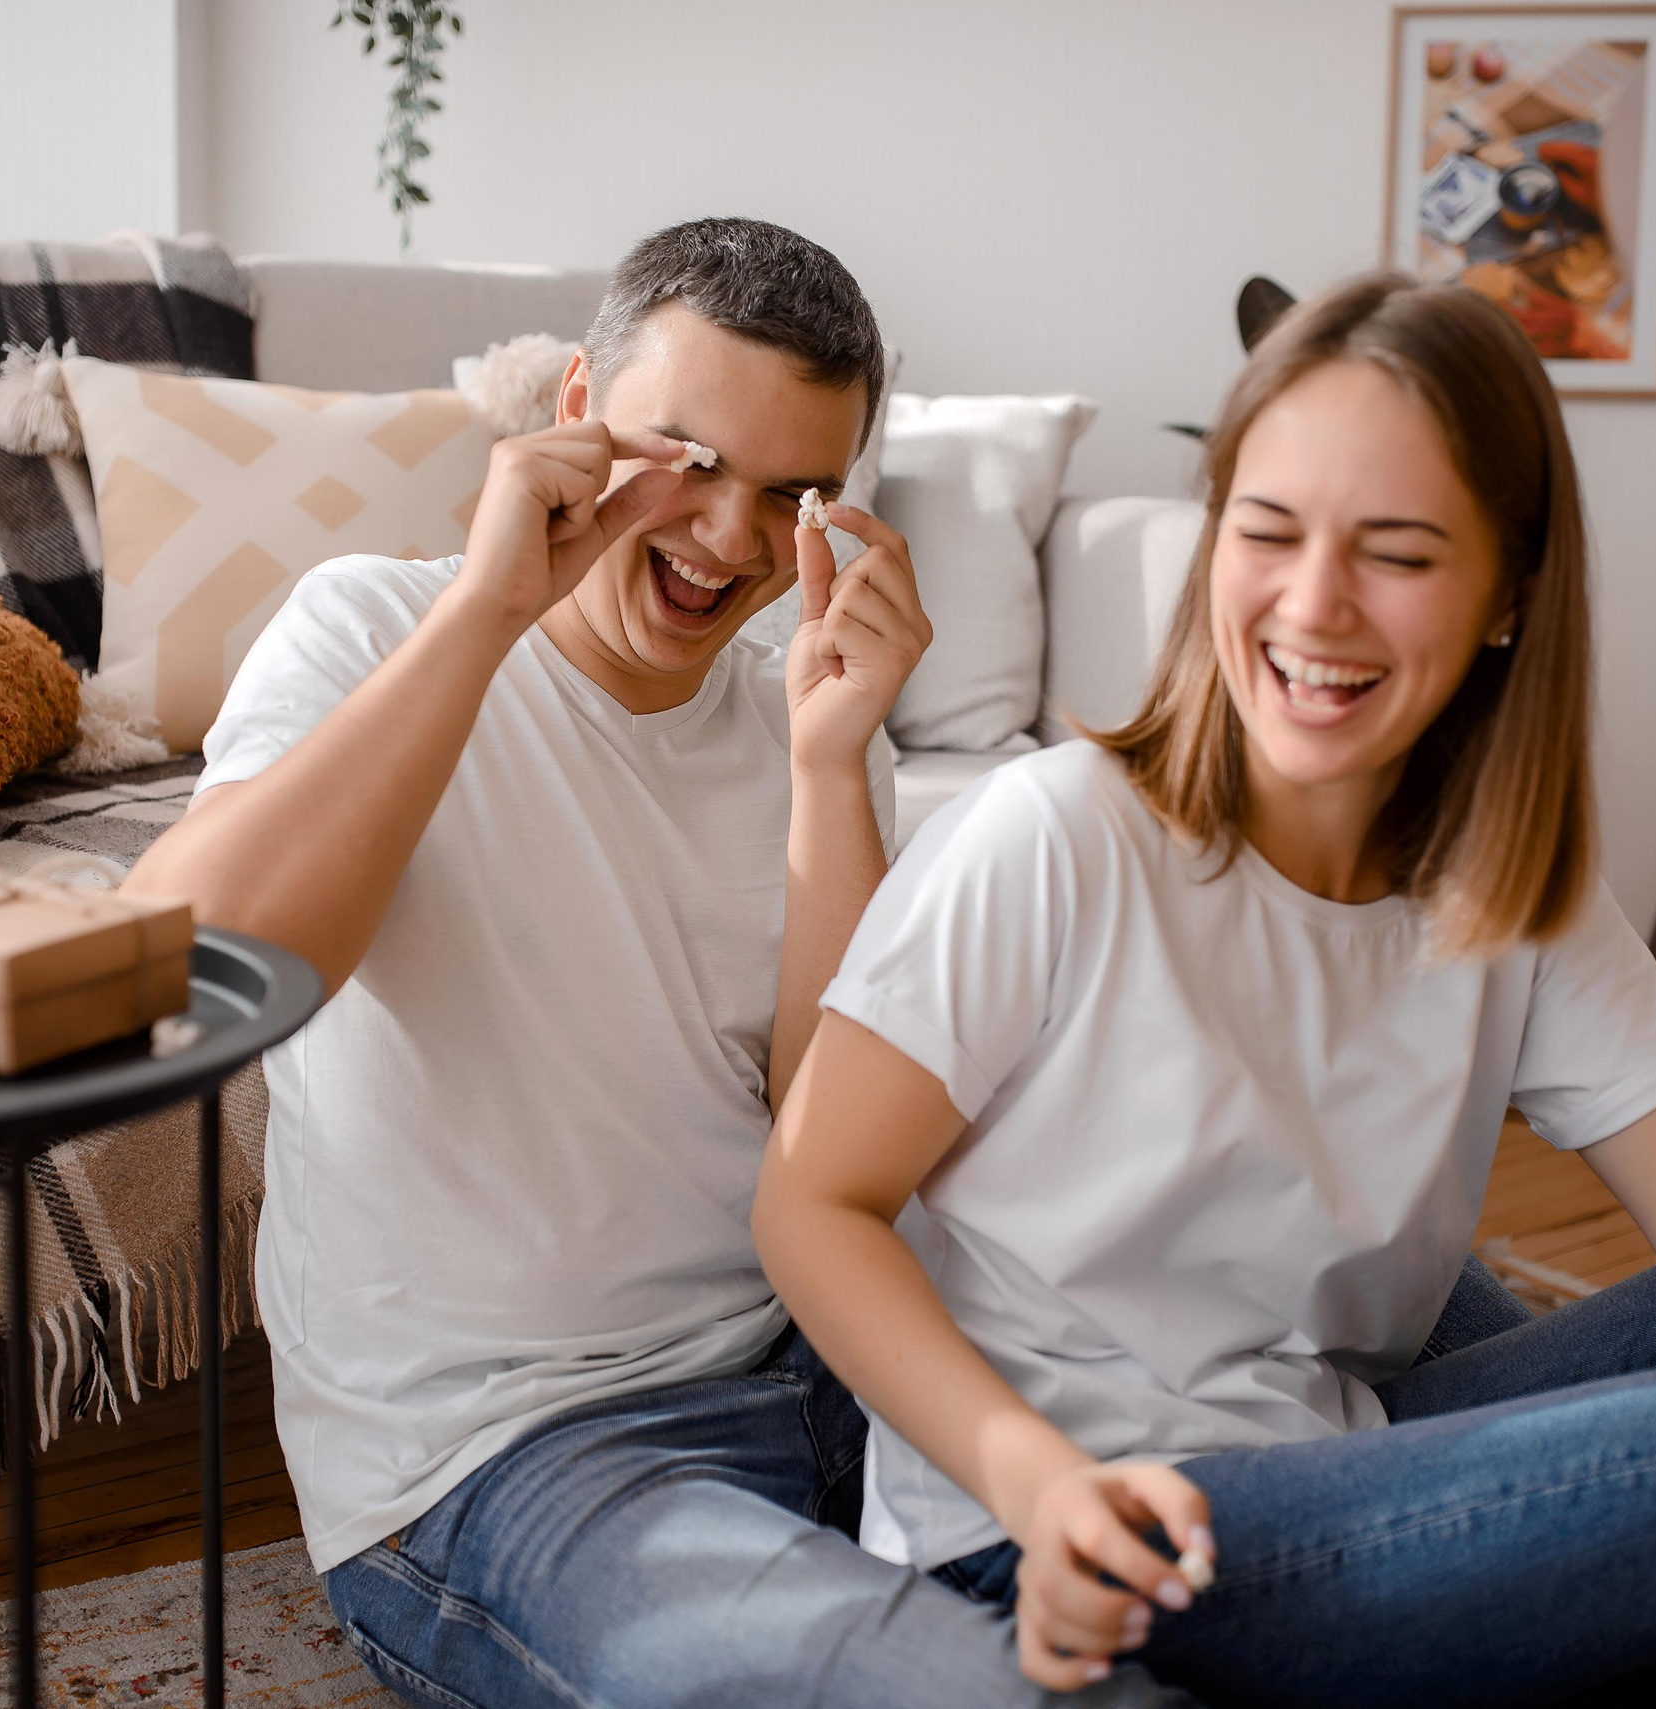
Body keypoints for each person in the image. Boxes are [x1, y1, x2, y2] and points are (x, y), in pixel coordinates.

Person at [752, 272, 1656, 1709]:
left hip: (1330, 1458)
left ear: (1511, 593)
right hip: (1065, 1531)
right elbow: (809, 1199)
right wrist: (1038, 1479)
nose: (1315, 605)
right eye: (1266, 531)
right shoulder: (1055, 836)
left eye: (1396, 552)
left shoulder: (1505, 887)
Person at [128, 218, 1234, 1707]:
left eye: (791, 493)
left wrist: (835, 773)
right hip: (519, 1452)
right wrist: (488, 609)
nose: (729, 539)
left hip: (821, 1360)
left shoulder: (811, 717)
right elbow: (199, 964)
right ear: (575, 413)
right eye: (691, 459)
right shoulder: (377, 624)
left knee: (1264, 1483)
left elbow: (823, 1130)